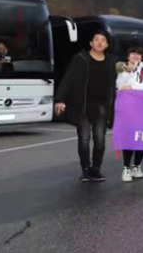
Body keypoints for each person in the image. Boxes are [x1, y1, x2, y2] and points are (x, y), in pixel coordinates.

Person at [54, 31, 117, 182]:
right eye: (96, 39)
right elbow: (68, 79)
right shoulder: (81, 59)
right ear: (91, 43)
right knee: (84, 138)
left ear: (107, 45)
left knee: (100, 139)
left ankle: (96, 168)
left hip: (101, 106)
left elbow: (119, 79)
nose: (100, 42)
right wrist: (60, 99)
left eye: (103, 40)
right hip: (82, 104)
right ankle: (86, 169)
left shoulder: (111, 61)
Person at [115, 47, 143, 182]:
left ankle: (137, 165)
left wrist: (131, 88)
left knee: (141, 138)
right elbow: (119, 86)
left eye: (139, 54)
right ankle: (126, 167)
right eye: (133, 54)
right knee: (129, 138)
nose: (135, 56)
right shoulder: (123, 70)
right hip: (127, 110)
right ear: (128, 56)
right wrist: (127, 73)